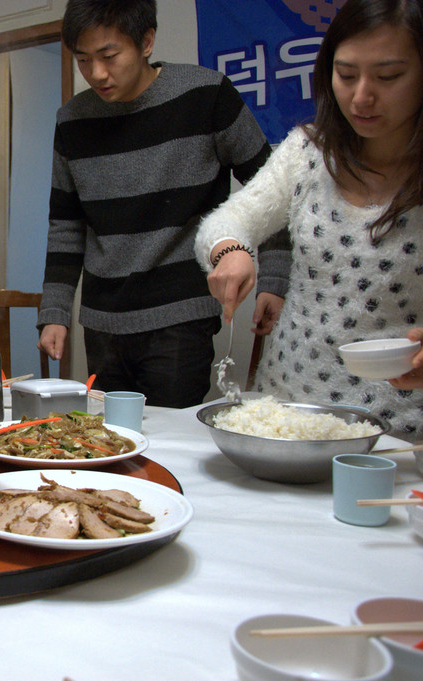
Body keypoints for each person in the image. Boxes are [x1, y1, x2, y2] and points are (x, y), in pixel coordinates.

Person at [37, 0, 290, 408]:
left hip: (180, 318)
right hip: (103, 322)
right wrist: (54, 311)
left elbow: (272, 191)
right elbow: (66, 225)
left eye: (109, 56)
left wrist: (274, 278)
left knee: (172, 437)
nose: (96, 73)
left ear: (146, 42)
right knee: (109, 437)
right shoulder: (72, 120)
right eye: (83, 60)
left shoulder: (206, 95)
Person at [196, 0, 423, 439]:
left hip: (403, 430)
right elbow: (227, 221)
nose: (362, 96)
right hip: (289, 413)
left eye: (388, 76)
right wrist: (231, 251)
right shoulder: (308, 152)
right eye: (346, 74)